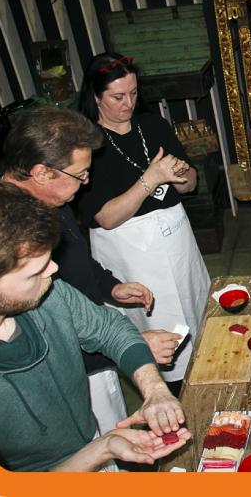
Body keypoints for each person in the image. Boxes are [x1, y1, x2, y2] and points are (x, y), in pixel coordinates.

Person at [0, 105, 182, 435]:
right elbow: (44, 347)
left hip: (92, 344)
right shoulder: (5, 234)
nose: (86, 183)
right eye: (80, 174)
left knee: (110, 432)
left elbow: (79, 263)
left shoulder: (55, 201)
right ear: (41, 172)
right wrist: (123, 351)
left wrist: (110, 287)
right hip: (67, 380)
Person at [0, 181, 190, 471]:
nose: (54, 270)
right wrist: (99, 451)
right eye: (35, 271)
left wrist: (155, 390)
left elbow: (110, 329)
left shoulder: (50, 294)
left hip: (91, 443)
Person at [77, 53, 211, 394]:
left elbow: (190, 184)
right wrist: (151, 178)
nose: (129, 103)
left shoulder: (153, 125)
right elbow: (106, 217)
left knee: (196, 312)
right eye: (118, 97)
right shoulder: (85, 144)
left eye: (134, 93)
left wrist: (182, 175)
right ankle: (170, 394)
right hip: (132, 253)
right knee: (159, 331)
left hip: (177, 242)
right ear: (96, 97)